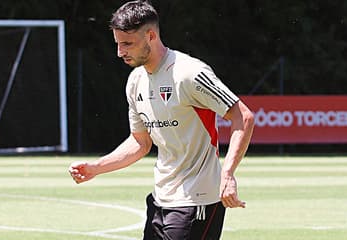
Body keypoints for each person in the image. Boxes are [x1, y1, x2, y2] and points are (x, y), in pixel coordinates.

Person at [69, 1, 255, 239]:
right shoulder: (135, 81)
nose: (120, 52)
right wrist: (97, 168)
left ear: (151, 35)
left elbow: (243, 116)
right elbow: (141, 142)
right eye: (117, 44)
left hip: (196, 201)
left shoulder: (190, 73)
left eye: (127, 44)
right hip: (160, 201)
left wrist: (227, 174)